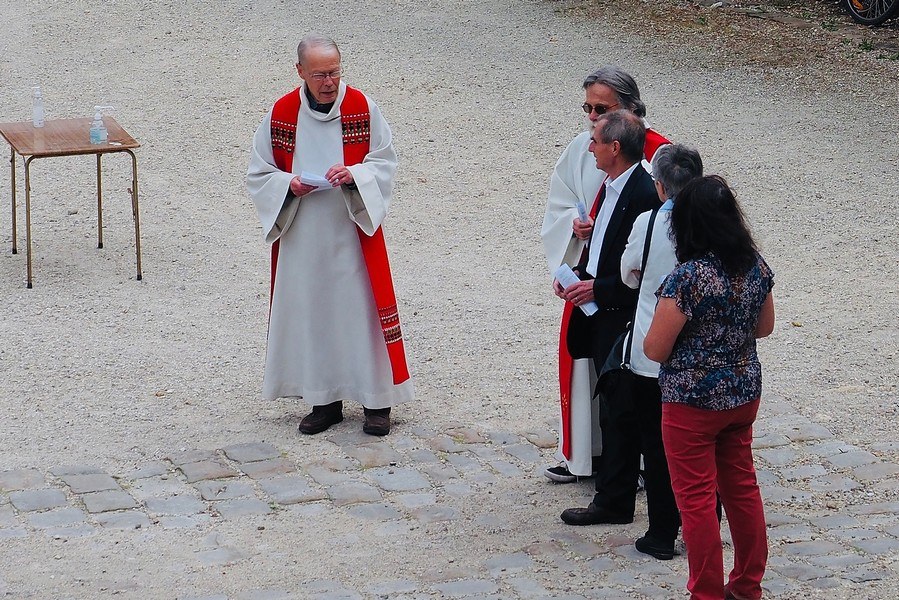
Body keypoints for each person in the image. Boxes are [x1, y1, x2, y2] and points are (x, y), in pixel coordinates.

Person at [246, 34, 413, 437]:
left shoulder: (363, 108)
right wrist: (289, 183)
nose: (329, 82)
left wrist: (355, 174)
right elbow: (259, 172)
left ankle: (377, 401)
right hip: (304, 232)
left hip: (352, 231)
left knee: (362, 311)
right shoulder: (281, 113)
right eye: (319, 74)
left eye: (334, 72)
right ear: (300, 72)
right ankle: (324, 400)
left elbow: (385, 162)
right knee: (315, 311)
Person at [644, 175, 775, 600]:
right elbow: (765, 327)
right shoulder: (754, 266)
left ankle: (705, 593)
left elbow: (655, 348)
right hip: (742, 395)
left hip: (691, 404)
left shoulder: (688, 278)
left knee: (696, 501)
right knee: (742, 490)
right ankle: (747, 585)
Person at [541, 66, 670, 483]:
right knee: (593, 376)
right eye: (588, 109)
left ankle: (641, 469)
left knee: (633, 387)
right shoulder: (584, 147)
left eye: (602, 109)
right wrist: (574, 226)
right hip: (590, 280)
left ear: (630, 109)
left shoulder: (659, 156)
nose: (592, 118)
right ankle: (588, 456)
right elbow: (561, 199)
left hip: (629, 295)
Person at [553, 109, 661, 520]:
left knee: (623, 412)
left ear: (615, 148)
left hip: (622, 319)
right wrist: (577, 276)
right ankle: (613, 496)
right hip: (600, 312)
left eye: (595, 141)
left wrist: (595, 289)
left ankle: (615, 501)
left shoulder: (643, 194)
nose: (589, 148)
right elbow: (602, 248)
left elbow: (644, 273)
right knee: (614, 409)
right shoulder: (612, 185)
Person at [603, 144, 704, 560]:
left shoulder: (648, 222)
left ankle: (662, 533)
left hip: (653, 351)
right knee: (705, 448)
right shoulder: (713, 223)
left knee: (658, 446)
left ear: (660, 186)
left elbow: (629, 275)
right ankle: (702, 528)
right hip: (704, 353)